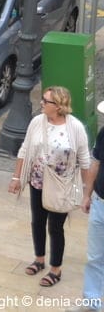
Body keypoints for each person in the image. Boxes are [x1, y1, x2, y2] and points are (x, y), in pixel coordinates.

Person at [9, 86, 92, 288]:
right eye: (43, 100)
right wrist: (16, 177)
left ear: (59, 106)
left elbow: (85, 160)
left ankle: (56, 269)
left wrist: (85, 192)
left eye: (46, 101)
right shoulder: (37, 122)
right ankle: (39, 259)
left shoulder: (75, 128)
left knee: (55, 227)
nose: (42, 103)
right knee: (37, 222)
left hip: (61, 186)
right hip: (37, 181)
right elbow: (24, 149)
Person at [82, 100, 104, 305]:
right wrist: (87, 195)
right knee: (95, 257)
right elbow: (95, 163)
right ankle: (91, 302)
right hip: (100, 202)